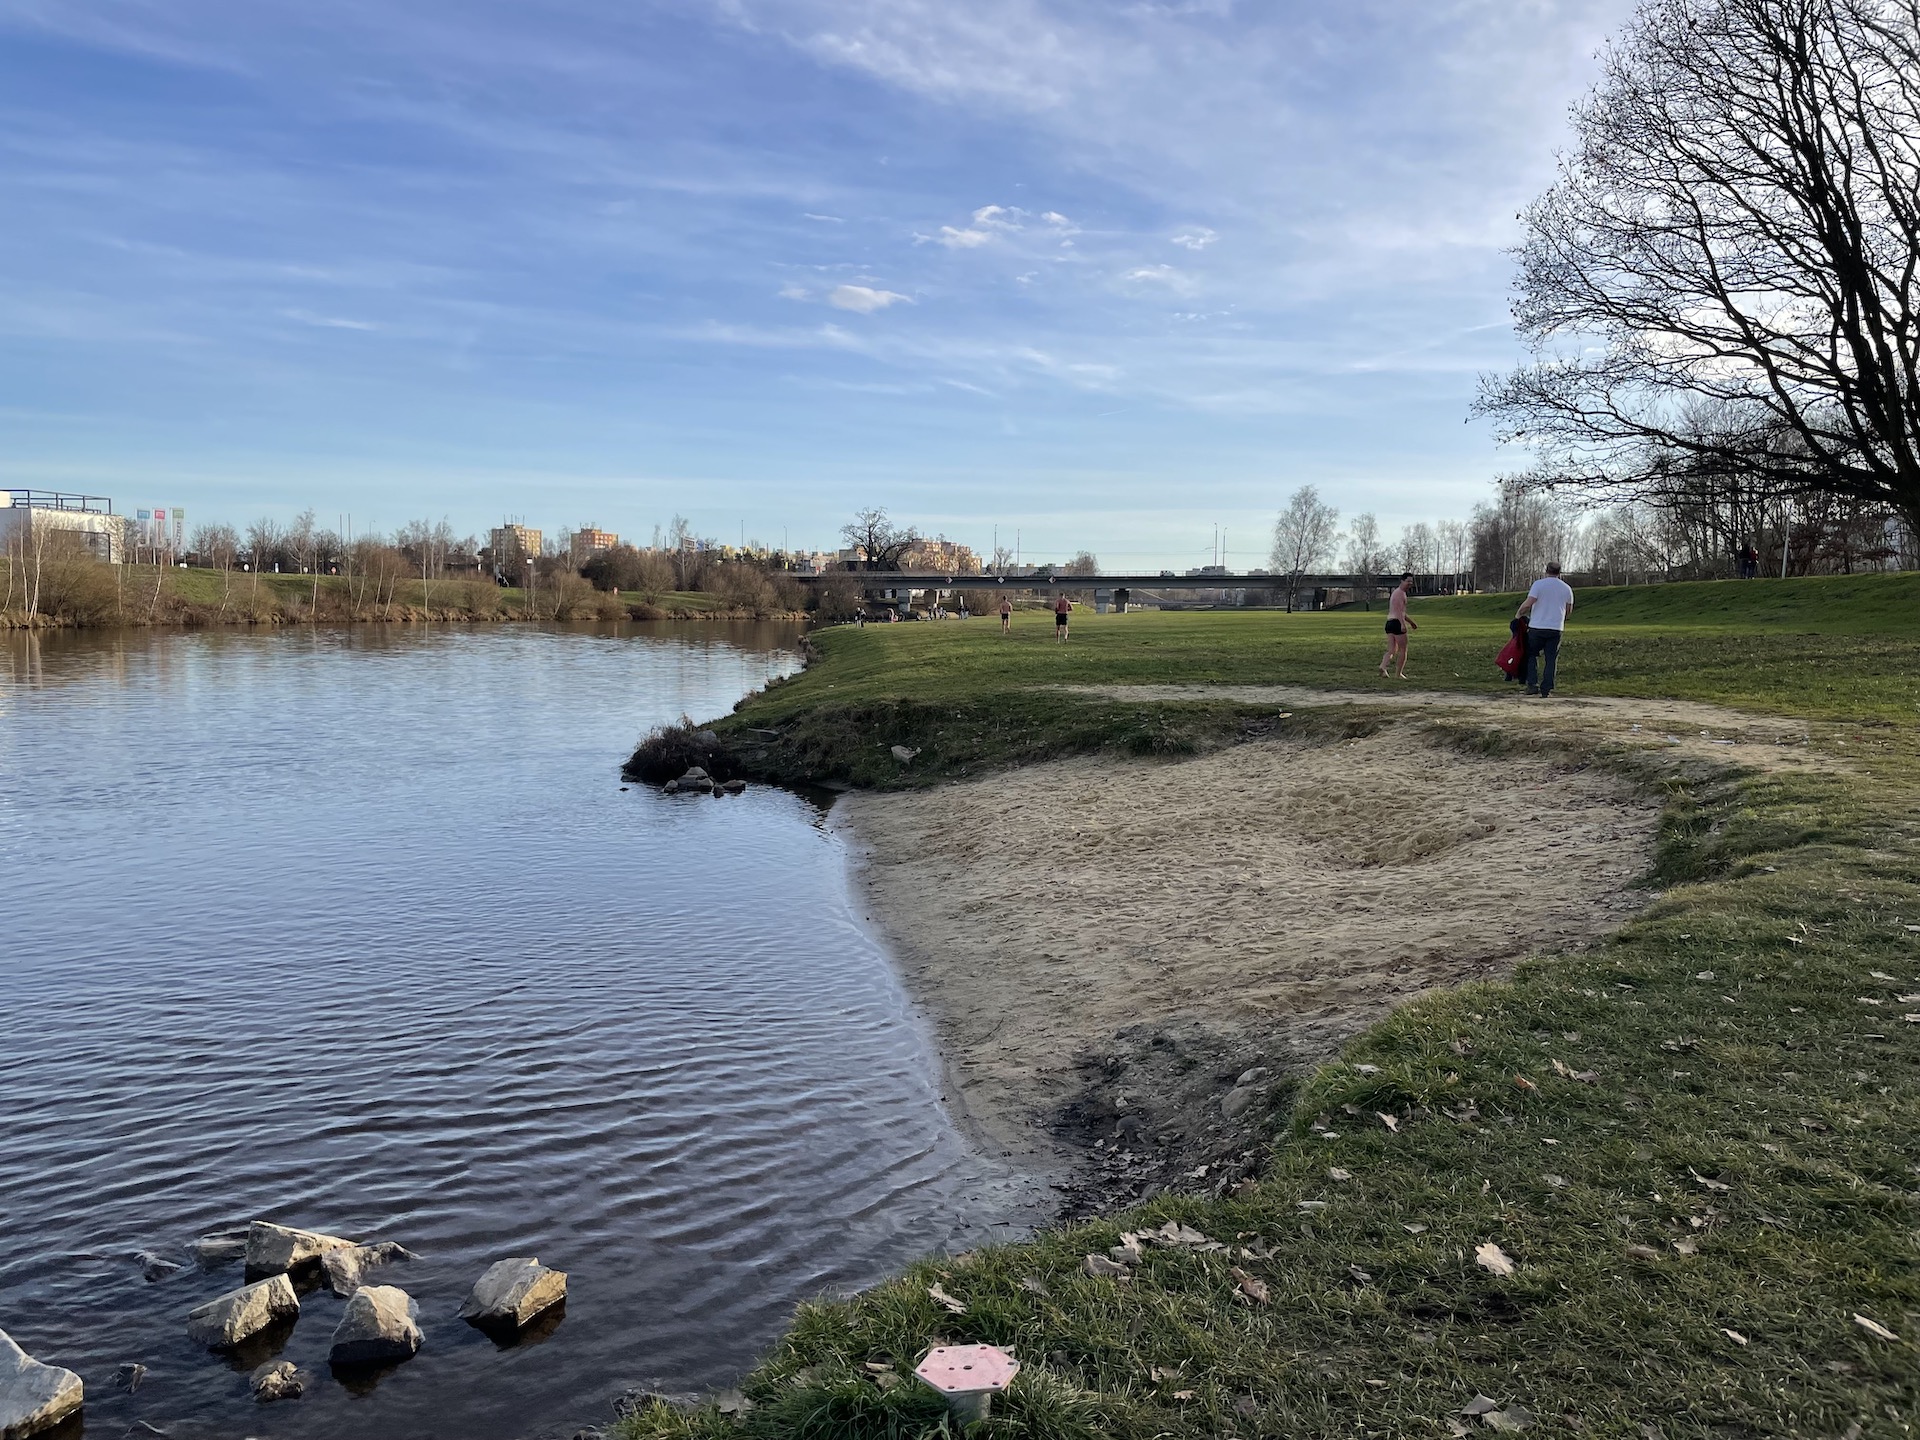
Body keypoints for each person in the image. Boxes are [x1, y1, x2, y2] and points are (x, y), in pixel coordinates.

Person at [1515, 562, 1574, 697]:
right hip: (1556, 628)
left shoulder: (1538, 585)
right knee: (1551, 659)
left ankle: (1532, 685)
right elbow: (1569, 609)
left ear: (1546, 570)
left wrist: (1519, 614)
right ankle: (1546, 689)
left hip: (1537, 626)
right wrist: (1561, 618)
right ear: (1559, 572)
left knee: (1531, 655)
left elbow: (1529, 602)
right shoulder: (1566, 588)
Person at [1379, 571, 1417, 678]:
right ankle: (1398, 673)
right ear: (1402, 581)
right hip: (1396, 623)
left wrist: (1411, 622)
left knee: (1392, 650)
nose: (1409, 583)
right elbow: (1400, 612)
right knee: (1403, 649)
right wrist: (1403, 625)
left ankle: (1383, 666)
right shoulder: (1400, 594)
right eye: (1407, 581)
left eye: (1411, 582)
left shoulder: (1396, 593)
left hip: (1389, 623)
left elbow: (1400, 612)